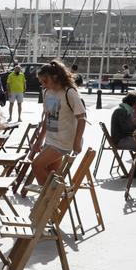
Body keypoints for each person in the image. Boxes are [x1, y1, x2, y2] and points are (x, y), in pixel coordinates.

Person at [30, 60, 87, 188]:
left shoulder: (69, 92)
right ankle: (54, 201)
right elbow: (47, 117)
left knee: (36, 165)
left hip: (64, 141)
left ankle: (48, 199)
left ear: (55, 77)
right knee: (52, 175)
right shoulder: (46, 92)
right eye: (41, 82)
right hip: (51, 139)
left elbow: (82, 118)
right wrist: (40, 140)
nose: (43, 85)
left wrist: (77, 142)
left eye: (45, 81)